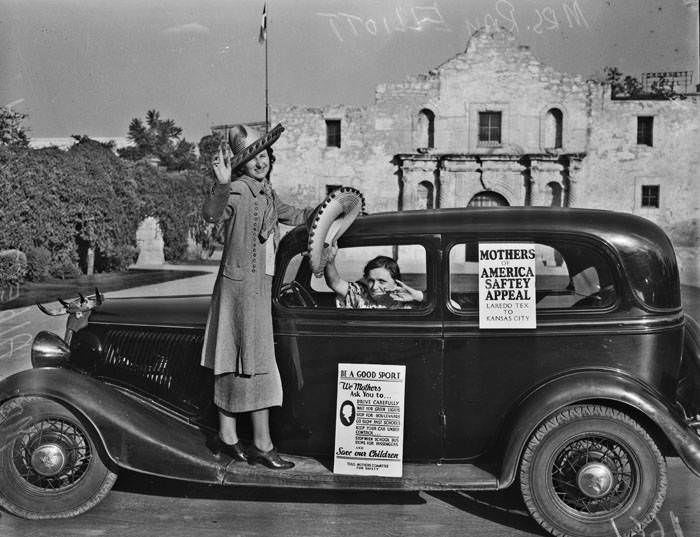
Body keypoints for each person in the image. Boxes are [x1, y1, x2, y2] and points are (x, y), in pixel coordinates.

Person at [201, 123, 316, 470]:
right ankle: (260, 443)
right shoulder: (235, 189)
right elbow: (212, 214)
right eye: (252, 157)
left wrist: (330, 211)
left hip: (259, 290)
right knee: (250, 361)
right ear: (241, 164)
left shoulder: (267, 194)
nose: (260, 162)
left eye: (263, 155)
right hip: (239, 290)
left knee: (241, 359)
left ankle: (229, 437)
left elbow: (295, 215)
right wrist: (221, 184)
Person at [323, 245, 425, 309]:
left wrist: (419, 296)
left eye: (382, 281)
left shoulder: (408, 304)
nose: (374, 287)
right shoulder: (359, 294)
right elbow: (334, 283)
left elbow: (439, 304)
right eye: (371, 280)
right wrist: (329, 261)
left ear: (395, 281)